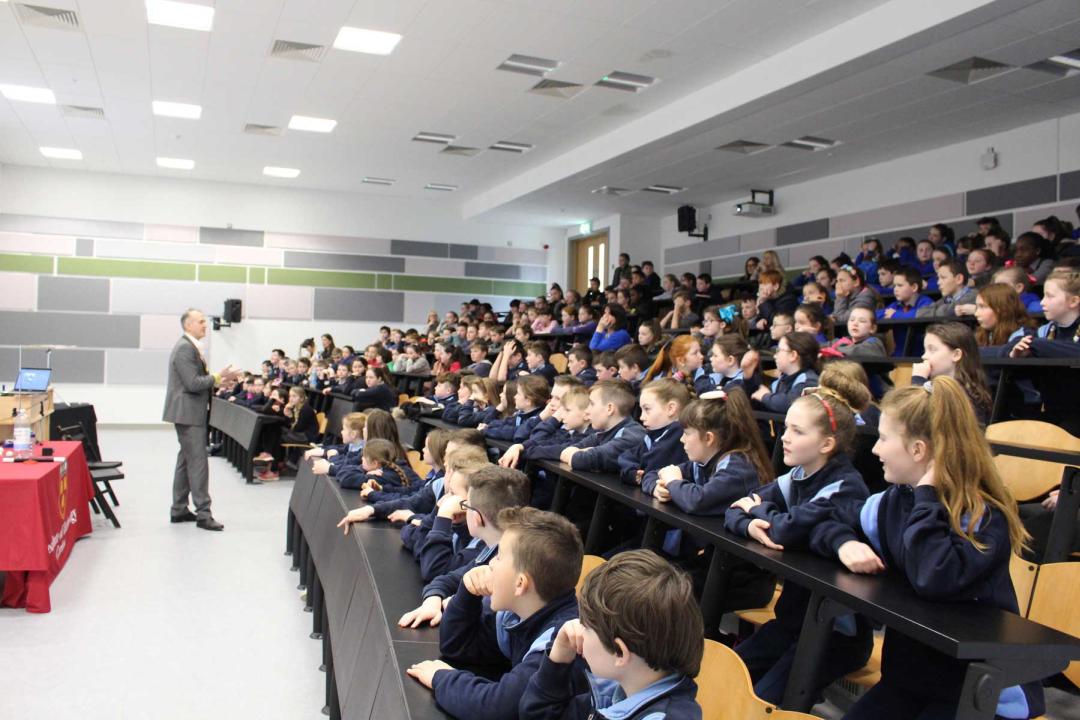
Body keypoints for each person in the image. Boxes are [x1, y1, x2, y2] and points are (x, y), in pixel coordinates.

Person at [810, 378, 1044, 720]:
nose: (875, 449)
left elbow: (933, 575)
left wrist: (927, 495)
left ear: (918, 451)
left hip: (980, 691)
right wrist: (843, 542)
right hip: (910, 679)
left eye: (885, 438)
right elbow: (827, 522)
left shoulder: (981, 516)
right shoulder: (888, 504)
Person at [725, 390, 872, 703]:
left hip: (836, 635)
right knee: (726, 676)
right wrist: (749, 523)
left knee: (765, 701)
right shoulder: (796, 476)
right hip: (793, 622)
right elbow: (733, 510)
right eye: (786, 428)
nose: (785, 438)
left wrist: (758, 511)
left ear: (827, 444)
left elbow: (785, 530)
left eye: (798, 431)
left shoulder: (844, 486)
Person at [406, 507, 586, 720]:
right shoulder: (521, 614)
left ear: (520, 584)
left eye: (499, 557)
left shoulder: (561, 641)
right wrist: (467, 595)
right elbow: (457, 646)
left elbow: (497, 709)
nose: (490, 563)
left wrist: (441, 678)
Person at [520, 550, 703, 720]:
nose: (578, 630)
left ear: (620, 653)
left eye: (587, 627)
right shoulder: (618, 689)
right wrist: (557, 661)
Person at [163, 308, 239, 531]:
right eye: (201, 322)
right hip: (189, 413)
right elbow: (193, 383)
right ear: (188, 325)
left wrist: (216, 382)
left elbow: (196, 381)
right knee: (198, 463)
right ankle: (203, 513)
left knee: (186, 461)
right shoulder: (185, 348)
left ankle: (178, 509)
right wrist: (216, 377)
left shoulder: (188, 347)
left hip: (188, 412)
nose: (205, 325)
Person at [912, 323, 992, 426]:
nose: (924, 356)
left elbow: (918, 416)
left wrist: (918, 381)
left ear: (956, 355)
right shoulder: (932, 386)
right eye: (924, 350)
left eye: (932, 350)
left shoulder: (968, 393)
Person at [559, 381, 646, 473]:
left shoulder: (631, 436)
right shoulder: (602, 433)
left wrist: (582, 453)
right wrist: (584, 452)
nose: (587, 411)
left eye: (592, 404)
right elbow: (565, 451)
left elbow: (581, 459)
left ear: (609, 409)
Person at [618, 379, 691, 487]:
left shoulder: (678, 431)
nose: (641, 417)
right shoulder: (653, 434)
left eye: (647, 409)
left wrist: (634, 470)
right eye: (641, 410)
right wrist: (632, 472)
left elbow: (651, 465)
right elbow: (627, 456)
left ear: (671, 408)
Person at [751, 332, 820, 413]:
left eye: (779, 350)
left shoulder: (808, 381)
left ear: (793, 355)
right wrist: (748, 376)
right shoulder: (781, 380)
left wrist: (765, 397)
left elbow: (791, 404)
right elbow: (762, 404)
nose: (775, 356)